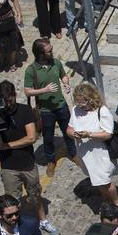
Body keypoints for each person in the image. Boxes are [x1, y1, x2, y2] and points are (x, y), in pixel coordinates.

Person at [0, 81, 58, 235]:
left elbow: (31, 138)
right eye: (4, 101)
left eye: (10, 100)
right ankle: (20, 227)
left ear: (14, 96)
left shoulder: (25, 111)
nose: (8, 104)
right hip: (8, 166)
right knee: (13, 200)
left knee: (35, 195)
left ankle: (43, 221)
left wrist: (9, 145)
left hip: (27, 164)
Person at [22, 38, 76, 176]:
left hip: (61, 105)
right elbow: (27, 91)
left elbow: (63, 76)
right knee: (48, 137)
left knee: (68, 132)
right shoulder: (31, 70)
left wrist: (66, 83)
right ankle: (51, 161)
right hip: (46, 111)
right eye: (49, 50)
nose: (52, 52)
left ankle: (73, 153)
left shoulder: (56, 63)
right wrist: (44, 90)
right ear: (40, 53)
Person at [67, 82, 118, 209]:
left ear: (90, 99)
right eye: (78, 102)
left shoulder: (102, 111)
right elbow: (69, 128)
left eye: (83, 102)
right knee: (97, 181)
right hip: (85, 153)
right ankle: (106, 201)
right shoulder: (76, 110)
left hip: (100, 154)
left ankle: (117, 202)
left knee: (105, 181)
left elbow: (107, 134)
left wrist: (89, 134)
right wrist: (74, 134)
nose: (80, 106)